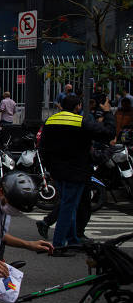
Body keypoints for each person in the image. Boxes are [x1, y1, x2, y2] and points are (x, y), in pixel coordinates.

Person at [40, 95, 115, 248]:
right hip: (76, 171)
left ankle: (73, 240)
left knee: (70, 205)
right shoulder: (81, 122)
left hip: (57, 170)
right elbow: (108, 133)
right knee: (68, 207)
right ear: (78, 106)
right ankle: (59, 244)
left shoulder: (51, 120)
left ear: (61, 105)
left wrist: (49, 168)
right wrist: (107, 113)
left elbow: (43, 147)